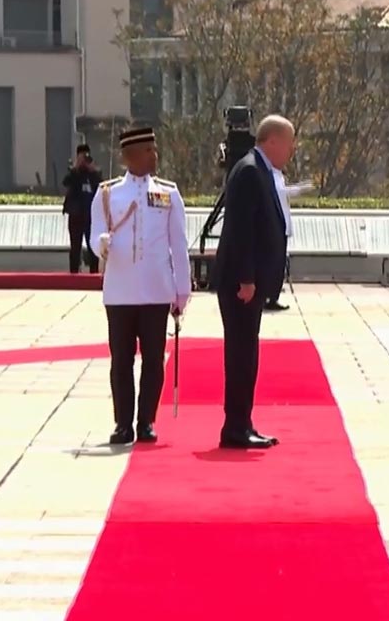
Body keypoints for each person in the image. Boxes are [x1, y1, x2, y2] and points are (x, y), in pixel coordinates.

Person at [90, 128, 191, 446]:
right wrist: (101, 244)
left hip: (156, 289)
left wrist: (182, 289)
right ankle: (123, 424)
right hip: (120, 291)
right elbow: (94, 236)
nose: (154, 156)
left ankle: (146, 420)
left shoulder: (168, 193)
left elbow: (179, 243)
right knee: (121, 359)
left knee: (152, 358)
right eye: (148, 150)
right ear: (129, 156)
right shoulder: (108, 193)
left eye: (154, 150)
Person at [210, 114, 295, 450]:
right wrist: (247, 278)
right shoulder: (249, 171)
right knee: (241, 355)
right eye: (288, 143)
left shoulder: (261, 170)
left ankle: (242, 422)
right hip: (241, 284)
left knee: (246, 354)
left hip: (252, 283)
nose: (291, 150)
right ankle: (235, 427)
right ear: (271, 141)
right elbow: (240, 232)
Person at [265, 168, 313, 312]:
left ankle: (273, 296)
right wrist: (300, 189)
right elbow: (281, 192)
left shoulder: (278, 174)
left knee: (279, 264)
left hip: (282, 225)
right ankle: (269, 297)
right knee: (274, 264)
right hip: (275, 225)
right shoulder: (271, 173)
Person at [62, 143, 103, 274]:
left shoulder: (94, 173)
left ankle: (94, 273)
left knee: (93, 247)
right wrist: (75, 168)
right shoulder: (73, 173)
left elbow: (101, 186)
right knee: (75, 247)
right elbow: (66, 183)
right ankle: (74, 273)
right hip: (76, 215)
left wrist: (92, 170)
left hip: (90, 216)